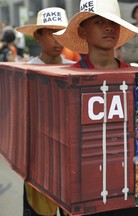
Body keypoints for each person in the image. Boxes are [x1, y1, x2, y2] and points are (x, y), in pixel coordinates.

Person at [53, 0, 138, 215]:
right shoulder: (66, 80)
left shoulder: (137, 78)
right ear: (82, 30)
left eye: (113, 22)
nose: (108, 27)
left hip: (127, 190)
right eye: (98, 22)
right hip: (82, 192)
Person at [16, 7, 73, 216]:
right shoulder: (25, 72)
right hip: (38, 161)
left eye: (61, 33)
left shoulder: (75, 70)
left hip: (68, 159)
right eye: (51, 33)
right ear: (38, 36)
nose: (58, 40)